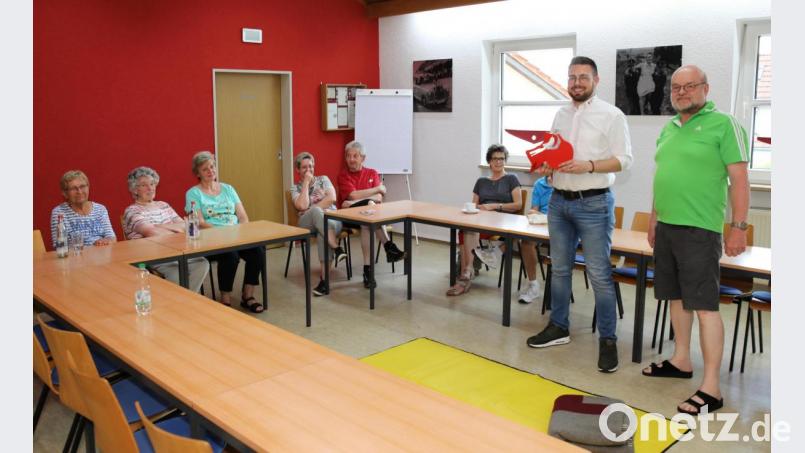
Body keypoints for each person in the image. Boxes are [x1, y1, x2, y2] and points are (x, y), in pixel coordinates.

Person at [642, 65, 749, 416]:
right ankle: (682, 360)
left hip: (700, 230)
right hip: (668, 227)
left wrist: (738, 226)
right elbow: (664, 176)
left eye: (690, 86)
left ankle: (712, 387)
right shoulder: (669, 128)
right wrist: (655, 219)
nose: (682, 92)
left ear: (705, 87)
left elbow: (739, 181)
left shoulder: (724, 124)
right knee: (675, 297)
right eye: (676, 87)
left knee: (704, 307)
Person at [526, 56, 633, 374]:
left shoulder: (612, 115)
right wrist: (546, 166)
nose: (576, 82)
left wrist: (588, 165)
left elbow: (624, 160)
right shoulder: (560, 114)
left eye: (583, 77)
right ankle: (558, 327)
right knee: (559, 270)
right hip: (559, 202)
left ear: (596, 81)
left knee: (599, 275)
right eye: (572, 77)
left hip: (594, 204)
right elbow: (552, 151)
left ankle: (608, 340)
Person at [185, 151, 265, 313]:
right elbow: (199, 222)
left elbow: (242, 216)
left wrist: (242, 232)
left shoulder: (228, 189)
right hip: (211, 238)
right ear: (197, 173)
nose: (210, 171)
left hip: (236, 235)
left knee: (258, 250)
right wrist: (222, 234)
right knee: (231, 256)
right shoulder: (193, 193)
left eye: (212, 167)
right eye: (205, 169)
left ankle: (247, 295)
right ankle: (225, 298)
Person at [446, 144, 522, 296]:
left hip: (502, 220)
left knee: (469, 231)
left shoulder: (511, 179)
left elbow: (518, 204)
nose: (498, 162)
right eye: (495, 158)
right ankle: (468, 270)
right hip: (482, 219)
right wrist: (475, 209)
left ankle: (465, 276)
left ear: (505, 160)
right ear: (489, 161)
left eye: (501, 158)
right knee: (466, 228)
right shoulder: (481, 181)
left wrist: (494, 206)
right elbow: (474, 205)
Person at [123, 166, 210, 293]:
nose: (150, 188)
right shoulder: (131, 211)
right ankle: (184, 303)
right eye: (144, 185)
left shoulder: (163, 205)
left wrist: (159, 226)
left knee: (202, 264)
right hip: (153, 256)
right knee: (176, 273)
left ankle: (185, 302)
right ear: (134, 189)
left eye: (152, 184)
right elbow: (153, 233)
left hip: (176, 251)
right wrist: (164, 229)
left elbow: (185, 225)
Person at [337, 140, 406, 289]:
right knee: (370, 209)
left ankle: (368, 271)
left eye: (355, 156)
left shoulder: (372, 173)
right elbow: (353, 196)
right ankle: (389, 247)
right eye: (348, 156)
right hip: (348, 217)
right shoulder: (343, 175)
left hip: (367, 218)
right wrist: (375, 192)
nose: (351, 159)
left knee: (368, 222)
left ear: (363, 158)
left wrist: (359, 200)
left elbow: (379, 198)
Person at [291, 152, 348, 296]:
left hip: (332, 219)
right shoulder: (295, 188)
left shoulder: (323, 179)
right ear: (298, 170)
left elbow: (332, 198)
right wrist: (305, 183)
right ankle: (336, 248)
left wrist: (313, 208)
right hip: (307, 222)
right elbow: (302, 206)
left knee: (324, 230)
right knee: (317, 214)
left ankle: (324, 282)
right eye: (304, 167)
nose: (308, 170)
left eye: (310, 166)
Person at [50, 170, 116, 248]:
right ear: (65, 193)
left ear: (88, 187)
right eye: (73, 188)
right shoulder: (59, 213)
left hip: (103, 255)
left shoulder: (100, 209)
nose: (79, 191)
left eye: (82, 186)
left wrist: (105, 241)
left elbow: (112, 238)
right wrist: (91, 249)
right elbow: (60, 247)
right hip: (76, 258)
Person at [517, 176, 553, 304]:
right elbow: (534, 210)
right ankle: (533, 285)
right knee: (526, 241)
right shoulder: (540, 183)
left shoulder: (567, 181)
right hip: (542, 223)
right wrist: (536, 214)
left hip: (561, 224)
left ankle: (558, 291)